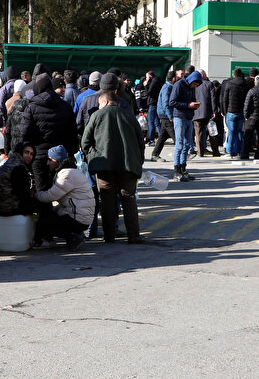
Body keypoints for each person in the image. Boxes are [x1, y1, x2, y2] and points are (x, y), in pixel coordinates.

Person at [82, 91, 145, 244]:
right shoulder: (129, 115)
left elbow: (85, 142)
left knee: (107, 199)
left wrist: (92, 157)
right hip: (127, 165)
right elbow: (140, 142)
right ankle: (133, 235)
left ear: (104, 102)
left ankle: (109, 236)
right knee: (128, 199)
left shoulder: (97, 115)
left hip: (104, 166)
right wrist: (138, 160)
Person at [18, 75, 78, 191]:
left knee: (41, 190)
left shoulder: (32, 107)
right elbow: (72, 133)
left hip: (38, 155)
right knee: (61, 190)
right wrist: (71, 152)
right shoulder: (65, 106)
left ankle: (44, 209)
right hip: (60, 156)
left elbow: (24, 132)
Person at [34, 145, 95, 251]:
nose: (47, 163)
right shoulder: (72, 171)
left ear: (57, 160)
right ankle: (74, 235)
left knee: (44, 221)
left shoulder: (67, 174)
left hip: (79, 219)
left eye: (50, 160)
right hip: (82, 216)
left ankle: (73, 236)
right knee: (51, 214)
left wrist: (35, 195)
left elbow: (50, 196)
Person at [168, 71, 202, 181]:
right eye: (195, 84)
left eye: (197, 85)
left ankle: (183, 169)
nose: (195, 86)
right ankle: (176, 171)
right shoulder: (179, 85)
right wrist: (188, 105)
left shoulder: (191, 88)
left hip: (188, 117)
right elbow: (172, 102)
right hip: (179, 117)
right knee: (180, 144)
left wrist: (194, 105)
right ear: (191, 80)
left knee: (187, 145)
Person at [0, 141, 38, 218]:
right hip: (9, 209)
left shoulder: (8, 163)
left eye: (31, 154)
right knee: (43, 206)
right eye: (26, 152)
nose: (29, 156)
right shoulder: (19, 169)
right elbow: (23, 196)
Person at [221, 68, 248, 159]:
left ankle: (229, 151)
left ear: (233, 75)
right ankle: (239, 152)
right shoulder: (245, 84)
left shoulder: (229, 84)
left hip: (231, 111)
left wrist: (224, 111)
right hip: (241, 112)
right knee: (240, 132)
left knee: (231, 132)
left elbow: (225, 99)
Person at [149, 71, 177, 162]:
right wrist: (170, 116)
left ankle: (155, 154)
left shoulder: (169, 87)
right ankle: (186, 151)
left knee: (162, 136)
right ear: (173, 79)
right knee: (175, 135)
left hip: (164, 115)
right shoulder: (167, 88)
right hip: (165, 115)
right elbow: (166, 103)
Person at [193, 70, 220, 157]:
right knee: (212, 132)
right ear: (203, 75)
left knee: (199, 133)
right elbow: (213, 99)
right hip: (208, 112)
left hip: (196, 112)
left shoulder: (193, 85)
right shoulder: (209, 84)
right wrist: (214, 111)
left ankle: (200, 152)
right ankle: (215, 152)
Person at [242, 74, 259, 160]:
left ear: (255, 82)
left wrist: (246, 115)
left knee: (248, 135)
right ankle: (257, 154)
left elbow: (247, 104)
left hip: (252, 117)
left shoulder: (251, 91)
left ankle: (245, 154)